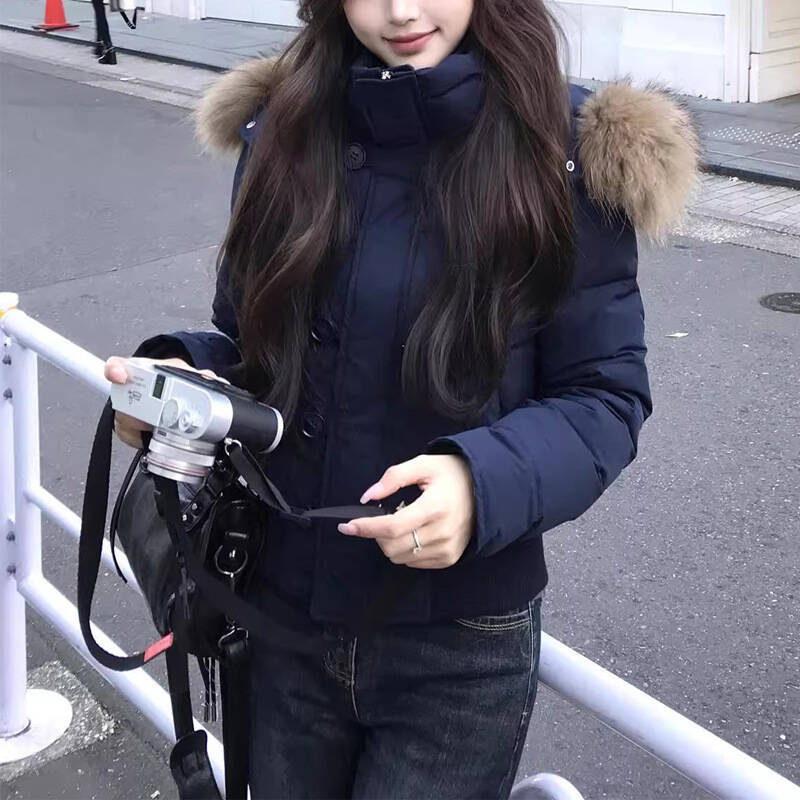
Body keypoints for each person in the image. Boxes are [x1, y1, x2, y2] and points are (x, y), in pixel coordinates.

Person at [105, 0, 699, 796]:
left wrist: (480, 484)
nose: (402, 11)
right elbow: (250, 346)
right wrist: (182, 374)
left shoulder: (568, 153)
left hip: (457, 644)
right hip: (281, 615)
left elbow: (604, 395)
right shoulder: (281, 127)